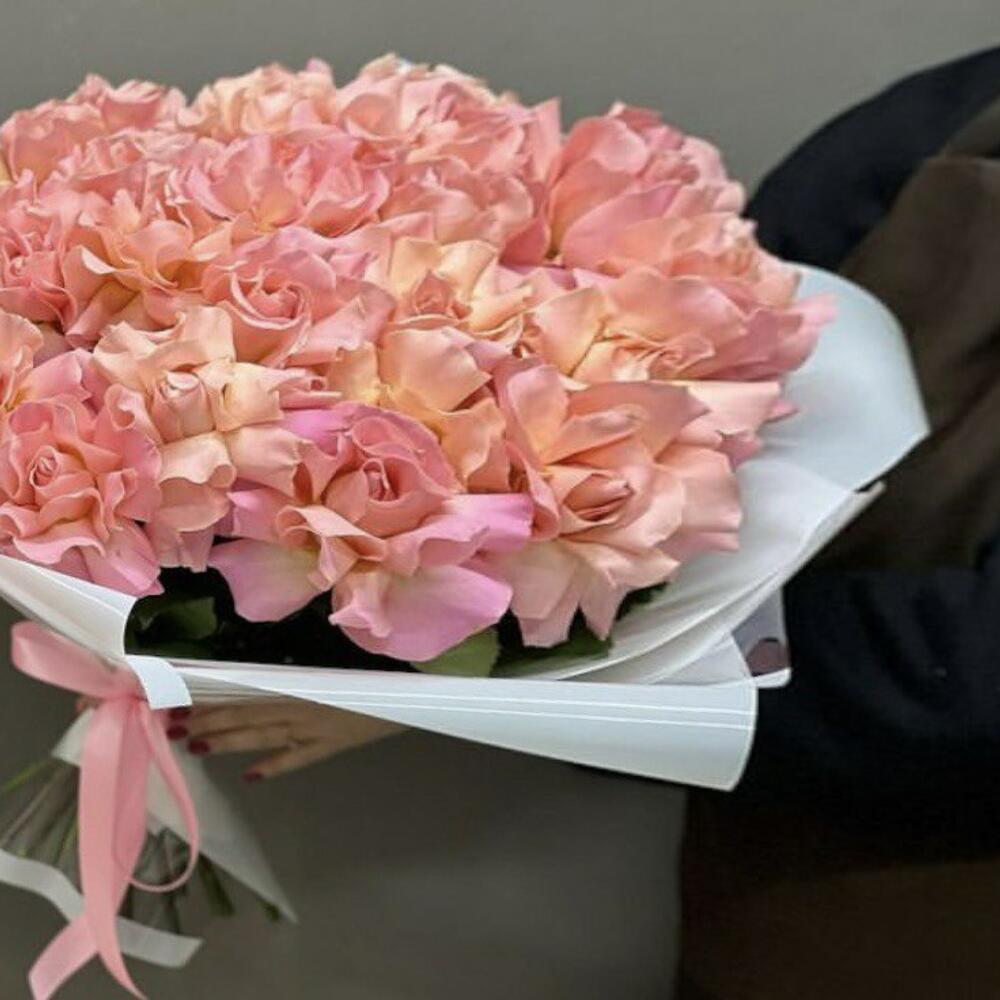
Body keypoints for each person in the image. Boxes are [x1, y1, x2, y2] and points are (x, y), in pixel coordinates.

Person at [680, 45, 1000, 1000]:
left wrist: (555, 660)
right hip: (799, 901)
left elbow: (973, 685)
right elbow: (694, 413)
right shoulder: (938, 127)